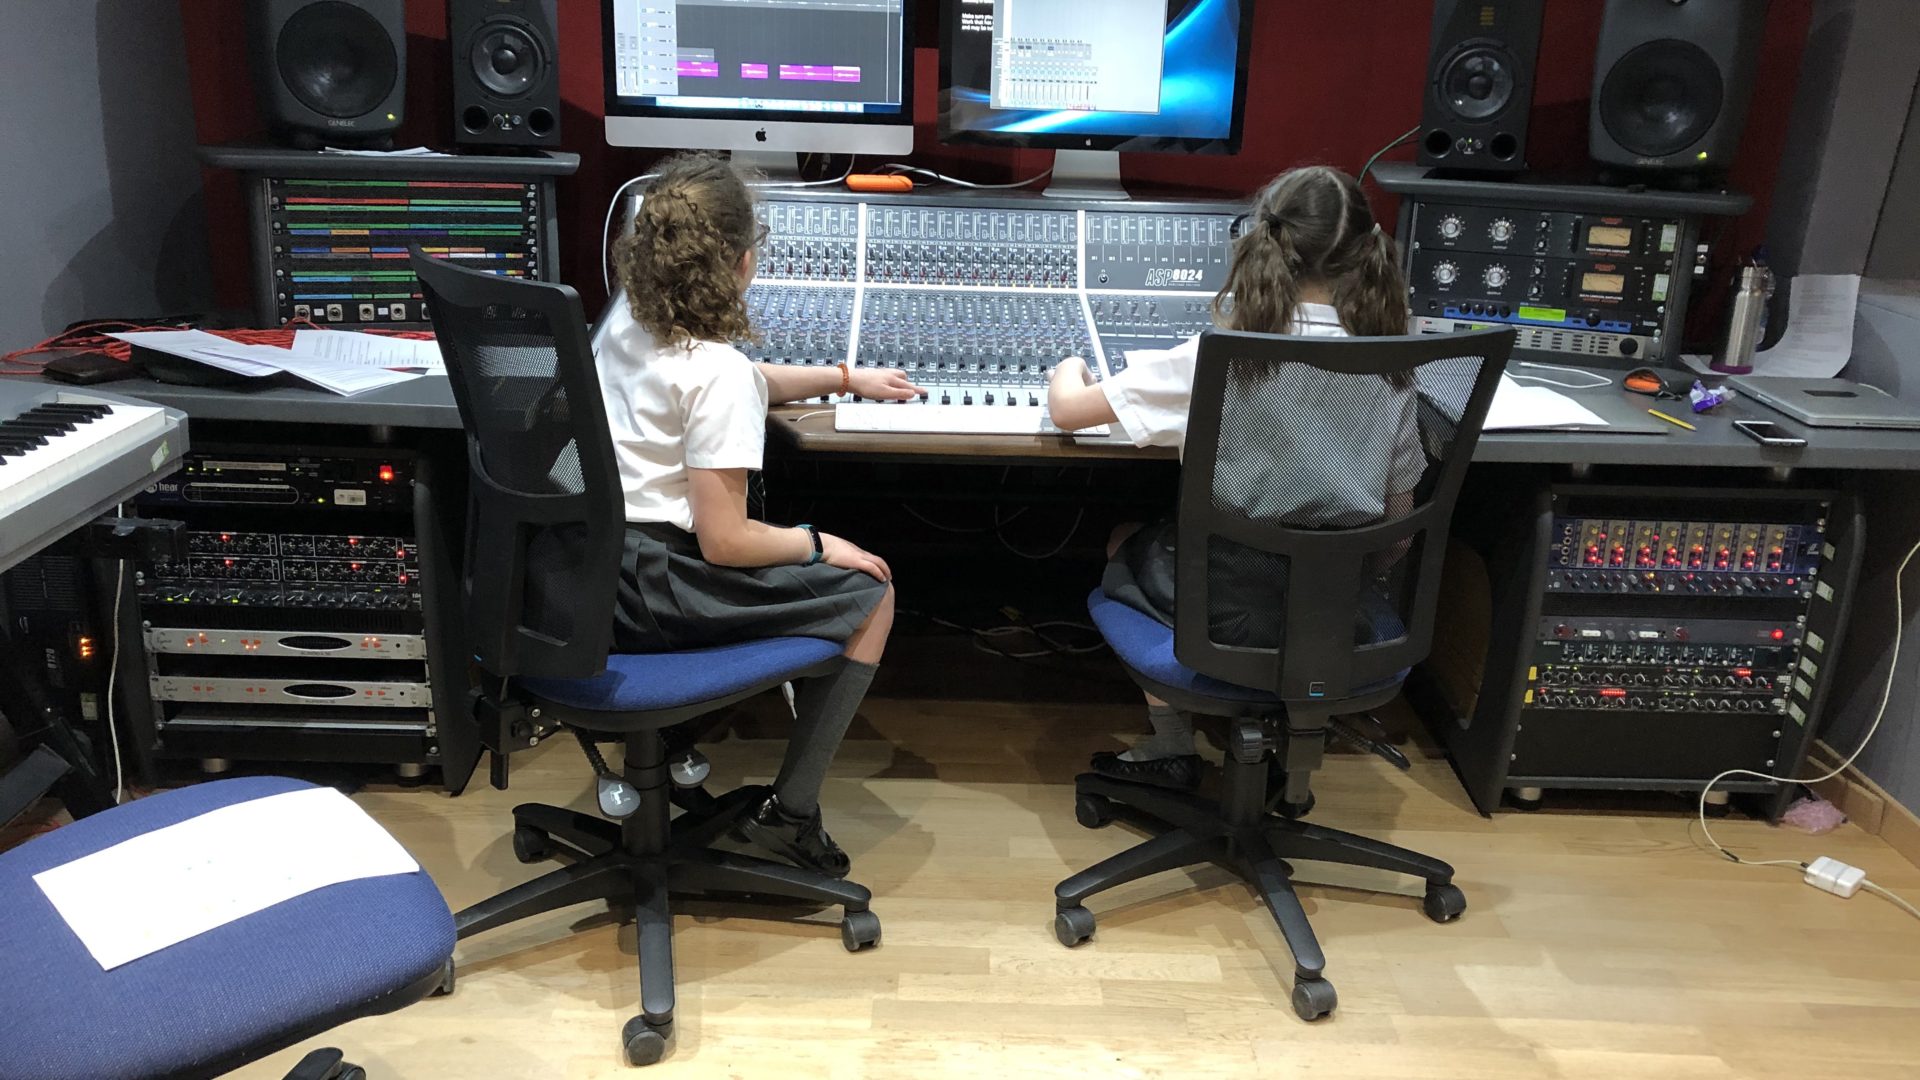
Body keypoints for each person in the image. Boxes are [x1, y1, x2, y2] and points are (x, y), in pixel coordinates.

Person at [1046, 165, 1423, 793]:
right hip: (1336, 616)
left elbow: (1067, 412)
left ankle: (1171, 749)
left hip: (1221, 610)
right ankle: (1292, 763)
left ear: (1259, 241)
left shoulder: (1218, 354)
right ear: (1368, 253)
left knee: (1124, 538)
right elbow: (1398, 523)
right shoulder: (1395, 366)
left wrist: (1069, 362)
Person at [600, 152, 923, 875]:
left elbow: (736, 380)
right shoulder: (717, 376)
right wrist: (816, 543)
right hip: (658, 589)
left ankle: (677, 744)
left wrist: (844, 378)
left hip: (585, 577)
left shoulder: (623, 328)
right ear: (743, 262)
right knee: (873, 594)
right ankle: (791, 818)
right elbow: (725, 541)